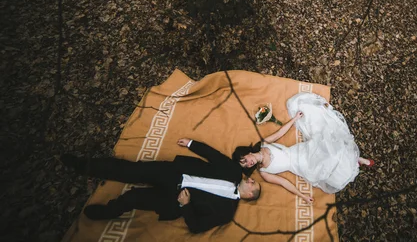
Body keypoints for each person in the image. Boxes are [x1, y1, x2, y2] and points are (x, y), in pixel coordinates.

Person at [62, 138, 261, 234]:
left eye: (253, 183)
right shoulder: (234, 172)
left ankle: (109, 211)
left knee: (133, 198)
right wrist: (191, 143)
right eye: (253, 179)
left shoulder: (226, 212)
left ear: (250, 194)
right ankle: (84, 165)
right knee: (131, 170)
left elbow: (196, 226)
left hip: (174, 201)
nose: (250, 179)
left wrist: (186, 205)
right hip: (173, 173)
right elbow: (213, 155)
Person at [233, 93, 373, 204]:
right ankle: (355, 160)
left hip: (299, 150)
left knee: (327, 146)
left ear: (247, 153)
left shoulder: (263, 144)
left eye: (244, 160)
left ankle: (355, 158)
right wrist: (303, 196)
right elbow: (284, 183)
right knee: (328, 163)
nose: (248, 163)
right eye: (245, 165)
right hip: (300, 166)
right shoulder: (264, 172)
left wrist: (295, 119)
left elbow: (280, 132)